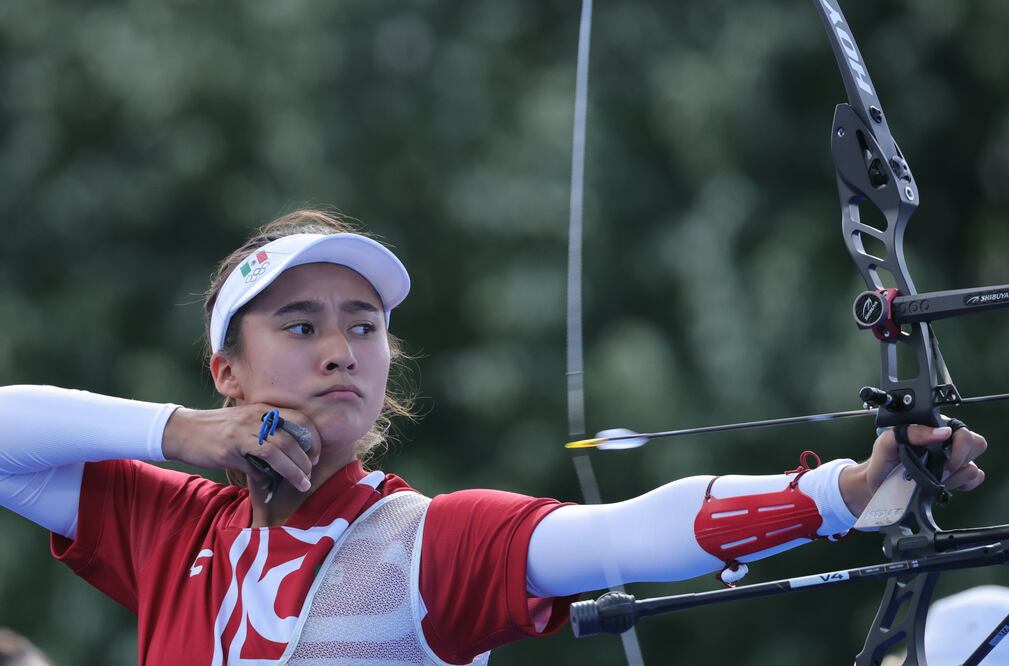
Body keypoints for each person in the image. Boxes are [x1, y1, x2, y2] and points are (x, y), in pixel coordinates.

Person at [0, 209, 988, 665]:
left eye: (364, 323)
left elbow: (626, 535)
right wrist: (182, 435)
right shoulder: (169, 527)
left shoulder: (426, 545)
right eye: (299, 326)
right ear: (228, 371)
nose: (342, 347)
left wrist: (852, 492)